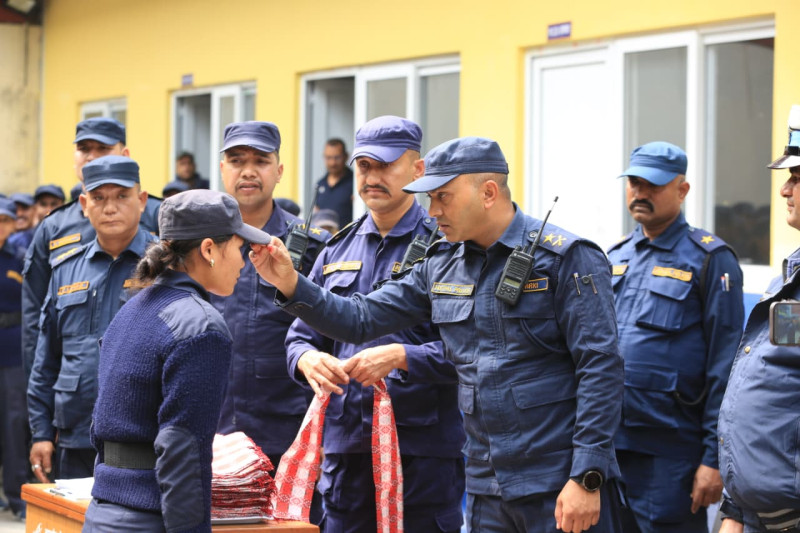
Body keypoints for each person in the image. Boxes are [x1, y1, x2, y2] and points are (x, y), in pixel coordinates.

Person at [252, 136, 626, 533]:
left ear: (488, 192)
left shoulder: (564, 259)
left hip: (557, 482)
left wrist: (587, 475)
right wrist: (292, 283)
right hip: (486, 485)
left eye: (443, 197)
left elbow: (600, 370)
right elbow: (359, 318)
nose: (433, 211)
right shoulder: (442, 265)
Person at [286, 116, 466, 532]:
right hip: (347, 446)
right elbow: (298, 337)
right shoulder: (335, 250)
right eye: (364, 166)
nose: (372, 177)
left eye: (385, 165)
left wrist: (404, 357)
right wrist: (309, 360)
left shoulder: (448, 247)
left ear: (417, 170)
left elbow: (472, 349)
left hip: (421, 450)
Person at [83, 189, 271, 533]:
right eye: (239, 249)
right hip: (148, 518)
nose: (243, 263)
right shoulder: (201, 326)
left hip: (102, 512)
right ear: (210, 250)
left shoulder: (133, 309)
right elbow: (183, 451)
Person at [607, 141, 744, 533]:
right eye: (634, 182)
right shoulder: (614, 256)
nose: (640, 193)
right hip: (611, 448)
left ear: (682, 190)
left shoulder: (709, 259)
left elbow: (728, 366)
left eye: (653, 185)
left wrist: (714, 459)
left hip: (671, 457)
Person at [210, 121, 328, 523]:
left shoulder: (312, 248)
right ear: (222, 168)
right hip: (210, 432)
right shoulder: (197, 245)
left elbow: (331, 338)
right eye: (237, 160)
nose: (248, 171)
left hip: (287, 434)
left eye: (261, 161)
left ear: (279, 171)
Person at [27, 155, 157, 482]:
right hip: (75, 434)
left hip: (144, 435)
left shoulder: (166, 265)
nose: (109, 207)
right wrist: (41, 432)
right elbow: (46, 358)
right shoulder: (65, 269)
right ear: (84, 204)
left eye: (121, 196)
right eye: (99, 198)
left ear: (141, 201)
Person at [21, 117, 161, 379]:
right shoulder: (54, 226)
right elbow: (34, 317)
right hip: (74, 388)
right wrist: (39, 387)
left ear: (125, 153)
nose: (92, 157)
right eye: (85, 149)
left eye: (103, 149)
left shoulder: (159, 215)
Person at [717, 105, 800, 533]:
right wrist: (734, 510)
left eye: (798, 178)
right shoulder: (790, 274)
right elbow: (773, 389)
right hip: (757, 520)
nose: (785, 190)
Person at [0, 198, 28, 519]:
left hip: (11, 350)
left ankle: (17, 496)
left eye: (5, 220)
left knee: (14, 423)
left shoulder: (19, 259)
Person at [314, 138, 353, 226]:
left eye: (337, 158)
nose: (333, 163)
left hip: (348, 237)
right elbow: (317, 213)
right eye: (329, 158)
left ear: (346, 156)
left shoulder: (355, 183)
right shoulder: (320, 184)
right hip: (324, 238)